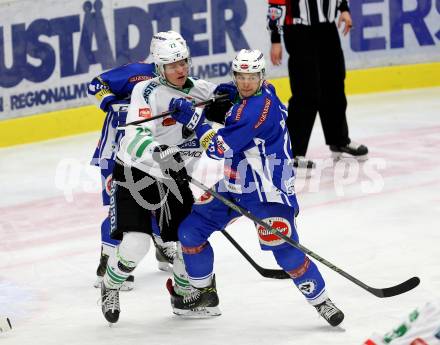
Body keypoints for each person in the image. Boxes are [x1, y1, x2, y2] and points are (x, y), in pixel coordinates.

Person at [166, 49, 345, 327]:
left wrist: (194, 120)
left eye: (251, 77)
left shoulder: (254, 111)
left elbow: (217, 148)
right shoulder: (264, 90)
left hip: (268, 191)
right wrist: (228, 93)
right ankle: (204, 292)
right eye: (240, 77)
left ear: (261, 76)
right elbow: (236, 104)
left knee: (284, 251)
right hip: (236, 182)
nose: (246, 83)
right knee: (190, 231)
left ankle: (322, 301)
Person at [99, 31, 226, 323]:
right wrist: (161, 153)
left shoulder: (198, 90)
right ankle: (110, 283)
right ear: (158, 67)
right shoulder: (144, 92)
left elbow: (230, 102)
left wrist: (246, 89)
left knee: (184, 241)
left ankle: (183, 297)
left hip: (173, 179)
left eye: (183, 62)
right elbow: (134, 137)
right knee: (136, 244)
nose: (180, 70)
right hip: (136, 174)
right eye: (172, 65)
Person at [88, 37, 177, 291]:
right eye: (169, 61)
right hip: (117, 152)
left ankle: (163, 247)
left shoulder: (174, 81)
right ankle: (108, 262)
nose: (175, 67)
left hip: (149, 152)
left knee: (160, 201)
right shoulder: (136, 73)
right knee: (118, 209)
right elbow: (97, 84)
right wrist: (109, 102)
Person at [267, 0, 368, 169]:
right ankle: (292, 152)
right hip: (299, 30)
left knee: (334, 85)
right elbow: (276, 4)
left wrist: (343, 9)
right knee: (305, 91)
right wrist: (275, 39)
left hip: (327, 28)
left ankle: (339, 140)